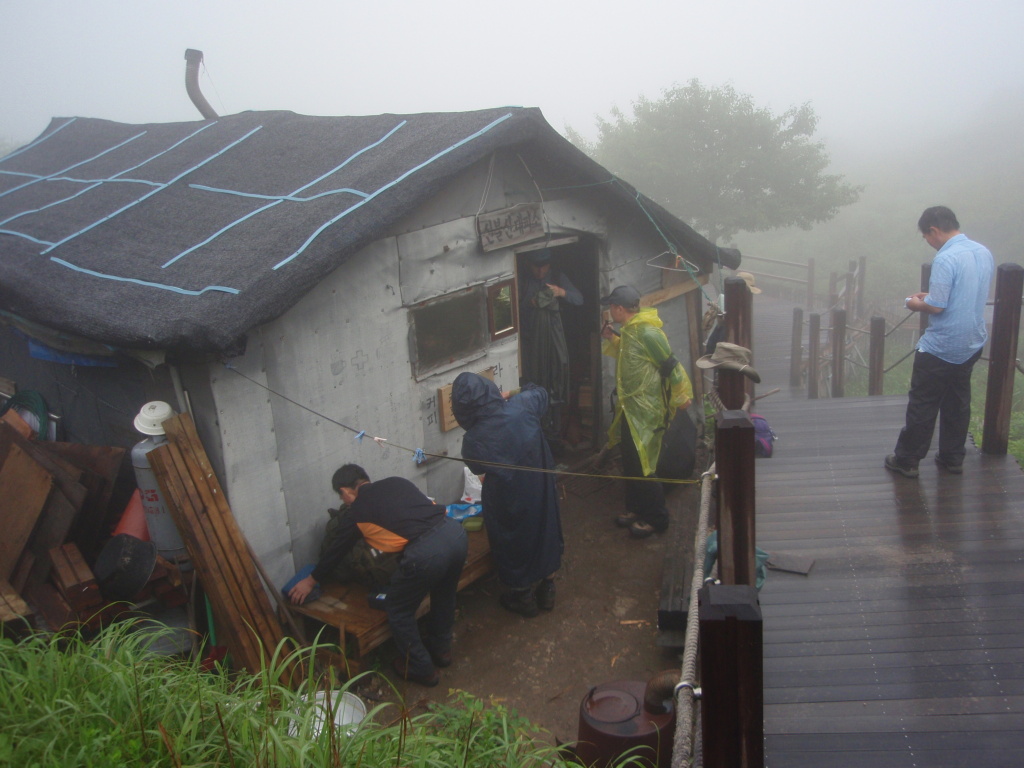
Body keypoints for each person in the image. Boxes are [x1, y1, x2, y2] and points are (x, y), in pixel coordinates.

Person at [287, 464, 467, 687]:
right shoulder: (396, 481)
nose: (343, 501)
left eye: (341, 496)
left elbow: (337, 550)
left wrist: (311, 580)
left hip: (427, 553)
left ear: (346, 491)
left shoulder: (358, 511)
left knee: (398, 608)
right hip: (455, 534)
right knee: (443, 593)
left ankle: (421, 668)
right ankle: (442, 651)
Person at [885, 206, 994, 479]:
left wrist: (913, 302)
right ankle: (952, 457)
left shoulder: (945, 259)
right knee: (957, 401)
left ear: (933, 231)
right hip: (972, 341)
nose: (929, 243)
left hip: (942, 345)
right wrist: (932, 296)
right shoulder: (982, 252)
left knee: (923, 402)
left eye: (926, 237)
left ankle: (907, 460)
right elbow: (965, 293)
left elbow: (936, 307)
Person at [451, 372, 563, 618]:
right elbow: (540, 390)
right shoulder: (523, 405)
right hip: (540, 486)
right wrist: (511, 394)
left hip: (506, 499)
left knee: (512, 540)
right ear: (490, 390)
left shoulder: (472, 440)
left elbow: (478, 470)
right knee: (547, 528)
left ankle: (522, 596)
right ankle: (548, 588)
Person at [600, 285, 693, 538]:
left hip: (648, 411)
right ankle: (636, 508)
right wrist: (612, 338)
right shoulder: (631, 330)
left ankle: (657, 519)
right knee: (631, 459)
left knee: (645, 465)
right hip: (631, 409)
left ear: (619, 309)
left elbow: (672, 366)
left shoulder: (649, 333)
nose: (609, 311)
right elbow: (632, 356)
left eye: (611, 307)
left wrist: (682, 395)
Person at [518, 248, 583, 434]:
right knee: (533, 382)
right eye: (536, 267)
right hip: (529, 342)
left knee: (556, 377)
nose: (540, 272)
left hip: (554, 341)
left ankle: (554, 429)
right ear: (528, 265)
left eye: (544, 267)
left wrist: (561, 292)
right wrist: (530, 304)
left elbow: (579, 299)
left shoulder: (557, 277)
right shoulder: (522, 281)